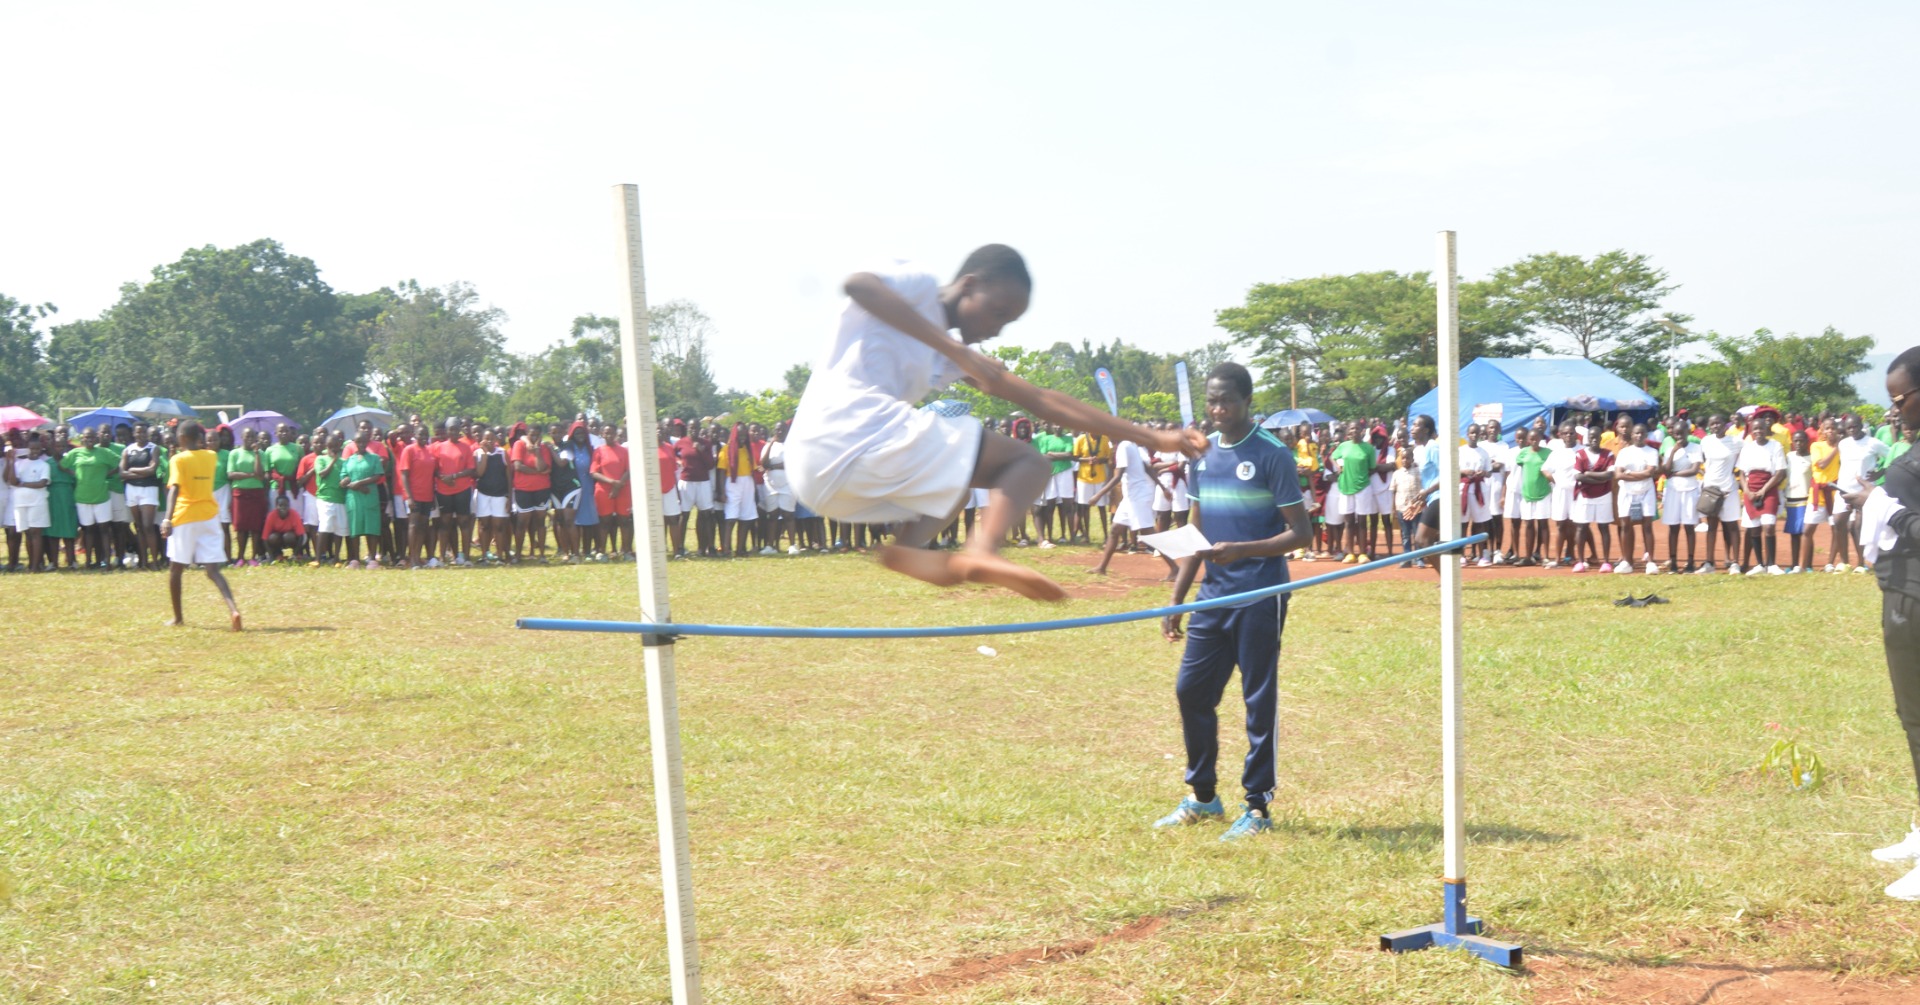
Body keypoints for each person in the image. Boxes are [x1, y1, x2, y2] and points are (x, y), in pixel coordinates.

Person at [784, 247, 1201, 600]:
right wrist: (957, 350)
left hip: (822, 482)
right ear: (968, 285)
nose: (995, 329)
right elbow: (859, 285)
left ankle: (909, 550)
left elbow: (1042, 401)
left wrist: (1153, 437)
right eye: (996, 312)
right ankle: (982, 550)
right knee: (1029, 463)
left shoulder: (950, 357)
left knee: (955, 470)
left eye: (1007, 322)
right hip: (841, 436)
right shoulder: (921, 288)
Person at [1155, 363, 1311, 841]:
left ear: (1247, 401)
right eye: (1212, 401)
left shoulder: (1272, 455)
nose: (1218, 410)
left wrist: (1243, 550)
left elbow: (1301, 533)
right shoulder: (1201, 458)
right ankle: (1203, 797)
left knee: (1257, 699)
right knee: (1191, 691)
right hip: (1212, 597)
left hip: (1260, 595)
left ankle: (1258, 806)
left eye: (1227, 401)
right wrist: (1178, 600)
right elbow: (1196, 534)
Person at [1853, 349, 1920, 900]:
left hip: (1917, 600)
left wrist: (1887, 509)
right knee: (1912, 719)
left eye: (1901, 398)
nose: (1894, 409)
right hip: (1902, 596)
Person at [159, 420, 242, 631]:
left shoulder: (178, 459)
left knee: (176, 569)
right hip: (209, 516)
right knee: (213, 570)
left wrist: (167, 518)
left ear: (183, 439)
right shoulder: (211, 456)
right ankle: (233, 610)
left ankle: (178, 618)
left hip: (185, 517)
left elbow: (175, 490)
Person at [1089, 434, 1172, 579]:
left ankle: (1175, 568)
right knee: (1115, 530)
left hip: (1138, 496)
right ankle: (1101, 567)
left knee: (1149, 533)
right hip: (1132, 496)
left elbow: (1117, 476)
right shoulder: (1131, 445)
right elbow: (1146, 468)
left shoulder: (1124, 446)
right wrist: (1162, 487)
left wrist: (1098, 495)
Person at [1837, 414, 1892, 574]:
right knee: (1839, 522)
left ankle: (1861, 563)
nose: (1852, 430)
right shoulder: (1843, 444)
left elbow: (1892, 455)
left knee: (1858, 526)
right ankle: (1844, 562)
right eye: (1849, 428)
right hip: (1844, 488)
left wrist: (1881, 472)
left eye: (1855, 426)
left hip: (1864, 490)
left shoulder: (1873, 443)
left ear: (1861, 426)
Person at [1737, 410, 1789, 575]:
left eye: (1761, 428)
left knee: (1769, 526)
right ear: (1751, 431)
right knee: (1754, 528)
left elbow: (1781, 472)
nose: (1758, 432)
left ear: (1766, 429)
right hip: (1751, 489)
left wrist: (1764, 490)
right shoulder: (1747, 448)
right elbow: (1741, 473)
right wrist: (1747, 490)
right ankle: (1759, 564)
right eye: (1755, 429)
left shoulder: (1775, 446)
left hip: (1769, 487)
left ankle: (1771, 564)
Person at [61, 426, 119, 570]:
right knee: (88, 530)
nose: (89, 440)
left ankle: (106, 561)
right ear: (82, 439)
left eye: (92, 437)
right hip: (82, 498)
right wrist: (75, 474)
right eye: (86, 437)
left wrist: (107, 474)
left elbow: (120, 463)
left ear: (96, 438)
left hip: (101, 497)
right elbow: (62, 465)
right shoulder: (75, 453)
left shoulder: (104, 452)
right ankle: (88, 561)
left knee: (104, 530)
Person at [1697, 415, 1743, 574]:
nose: (1715, 426)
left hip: (1728, 489)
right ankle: (1709, 562)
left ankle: (1735, 562)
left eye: (1718, 423)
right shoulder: (1706, 441)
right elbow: (1701, 461)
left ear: (1726, 425)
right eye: (1712, 423)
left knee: (1732, 526)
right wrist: (1705, 477)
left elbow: (1742, 460)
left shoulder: (1736, 442)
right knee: (1712, 526)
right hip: (1711, 489)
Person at [1326, 421, 1376, 563]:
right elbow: (1333, 457)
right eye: (1352, 428)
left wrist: (1360, 476)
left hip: (1363, 487)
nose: (1354, 430)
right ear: (1348, 431)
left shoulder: (1368, 448)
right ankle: (1350, 553)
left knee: (1361, 521)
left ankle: (1362, 553)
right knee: (1348, 522)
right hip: (1345, 487)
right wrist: (1339, 467)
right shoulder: (1343, 446)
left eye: (1357, 428)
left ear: (1361, 430)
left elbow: (1372, 468)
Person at [1614, 424, 1660, 575]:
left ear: (1646, 435)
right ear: (1632, 435)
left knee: (1647, 526)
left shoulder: (1652, 452)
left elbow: (1649, 473)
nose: (1639, 436)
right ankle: (1627, 561)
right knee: (1625, 525)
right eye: (1636, 433)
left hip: (1646, 491)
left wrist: (1629, 472)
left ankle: (1651, 562)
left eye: (1642, 433)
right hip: (1626, 492)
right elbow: (1618, 475)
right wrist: (1639, 474)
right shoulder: (1624, 452)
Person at [430, 419, 477, 566]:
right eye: (451, 429)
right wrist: (443, 478)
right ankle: (443, 557)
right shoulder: (439, 447)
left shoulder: (466, 447)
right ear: (446, 431)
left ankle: (466, 557)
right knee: (445, 523)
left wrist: (454, 477)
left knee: (464, 522)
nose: (453, 432)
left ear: (459, 431)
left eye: (456, 429)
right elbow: (434, 468)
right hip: (444, 491)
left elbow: (471, 469)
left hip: (462, 490)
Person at [1569, 431, 1616, 572]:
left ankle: (1606, 562)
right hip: (1585, 495)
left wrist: (1588, 474)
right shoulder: (1580, 454)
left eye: (1597, 437)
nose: (1594, 439)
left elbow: (1610, 474)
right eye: (1591, 437)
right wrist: (1599, 479)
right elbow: (1578, 476)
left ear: (1601, 438)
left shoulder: (1608, 454)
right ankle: (1581, 562)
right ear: (1587, 439)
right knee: (1581, 527)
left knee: (1604, 527)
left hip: (1604, 496)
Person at [342, 427, 388, 568]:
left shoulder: (374, 458)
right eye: (358, 442)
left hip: (370, 496)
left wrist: (361, 483)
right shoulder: (349, 460)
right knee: (355, 527)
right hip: (354, 498)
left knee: (371, 527)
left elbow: (378, 475)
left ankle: (372, 558)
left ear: (368, 442)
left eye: (364, 442)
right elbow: (343, 479)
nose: (361, 444)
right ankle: (355, 559)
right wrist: (358, 486)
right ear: (354, 442)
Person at [1661, 427, 1705, 573]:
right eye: (1676, 433)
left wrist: (1676, 473)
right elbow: (1666, 472)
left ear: (1687, 433)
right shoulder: (1669, 450)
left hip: (1690, 490)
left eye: (1682, 433)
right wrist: (1673, 452)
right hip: (1673, 491)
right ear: (1673, 434)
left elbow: (1694, 470)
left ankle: (1690, 562)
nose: (1679, 436)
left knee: (1689, 527)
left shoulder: (1695, 448)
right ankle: (1673, 562)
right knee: (1673, 528)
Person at [1509, 428, 1553, 567]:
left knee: (1543, 524)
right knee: (1528, 524)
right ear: (1528, 439)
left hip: (1543, 493)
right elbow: (1521, 465)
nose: (1534, 441)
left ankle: (1545, 556)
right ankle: (1528, 556)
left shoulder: (1547, 453)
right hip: (1527, 493)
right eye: (1531, 439)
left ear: (1541, 438)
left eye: (1536, 438)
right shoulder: (1523, 453)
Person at [227, 429, 270, 566]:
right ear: (241, 437)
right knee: (241, 527)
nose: (250, 439)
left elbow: (260, 475)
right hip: (240, 493)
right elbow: (231, 474)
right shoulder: (234, 453)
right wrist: (249, 475)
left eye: (253, 436)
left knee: (255, 526)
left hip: (256, 492)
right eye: (247, 436)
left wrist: (256, 453)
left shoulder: (261, 454)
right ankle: (240, 556)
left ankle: (253, 557)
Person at [8, 433, 50, 572]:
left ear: (41, 449)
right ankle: (32, 563)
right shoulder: (19, 463)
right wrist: (11, 461)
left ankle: (35, 566)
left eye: (37, 449)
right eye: (32, 449)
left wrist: (24, 483)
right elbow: (13, 481)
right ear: (27, 448)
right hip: (20, 503)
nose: (34, 451)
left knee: (35, 532)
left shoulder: (44, 465)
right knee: (27, 533)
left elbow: (42, 483)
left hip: (37, 502)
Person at [310, 433, 348, 565]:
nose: (333, 448)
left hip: (340, 498)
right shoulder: (320, 459)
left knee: (340, 529)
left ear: (339, 445)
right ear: (327, 446)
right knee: (324, 527)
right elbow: (322, 474)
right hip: (325, 498)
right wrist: (333, 460)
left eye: (336, 445)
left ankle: (336, 558)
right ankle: (318, 559)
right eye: (331, 446)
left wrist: (346, 480)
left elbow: (346, 477)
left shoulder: (344, 462)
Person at [1784, 429, 1816, 573]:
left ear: (1807, 442)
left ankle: (1808, 564)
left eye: (1801, 440)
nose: (1798, 443)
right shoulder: (1789, 456)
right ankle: (1794, 563)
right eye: (1795, 440)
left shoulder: (1811, 459)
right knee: (1794, 533)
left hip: (1805, 499)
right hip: (1791, 498)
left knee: (1805, 533)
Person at [261, 493, 305, 562]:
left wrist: (295, 553)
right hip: (278, 539)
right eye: (280, 505)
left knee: (288, 536)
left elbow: (301, 536)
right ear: (276, 506)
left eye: (286, 505)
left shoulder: (294, 514)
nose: (283, 508)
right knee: (272, 537)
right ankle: (277, 554)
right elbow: (265, 538)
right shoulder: (271, 516)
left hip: (291, 538)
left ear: (289, 506)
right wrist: (271, 556)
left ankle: (297, 554)